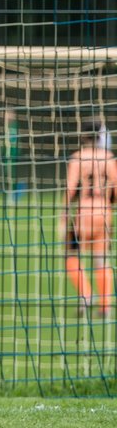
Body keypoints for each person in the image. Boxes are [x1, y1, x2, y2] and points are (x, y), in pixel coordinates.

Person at [60, 120, 117, 317]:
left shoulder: (78, 158)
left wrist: (63, 214)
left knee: (72, 256)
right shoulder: (109, 158)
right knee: (101, 260)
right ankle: (105, 304)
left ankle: (86, 294)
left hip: (84, 214)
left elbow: (70, 189)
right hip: (104, 212)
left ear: (84, 136)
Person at [2, 109, 27, 200]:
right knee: (7, 174)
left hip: (12, 155)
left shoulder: (13, 127)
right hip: (7, 155)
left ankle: (15, 192)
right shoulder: (6, 127)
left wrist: (16, 152)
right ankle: (14, 192)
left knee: (10, 174)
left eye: (7, 115)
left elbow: (14, 141)